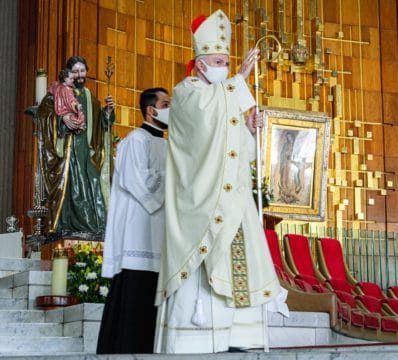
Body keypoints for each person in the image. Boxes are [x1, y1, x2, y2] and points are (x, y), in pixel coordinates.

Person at [154, 10, 285, 354]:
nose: (225, 67)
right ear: (199, 64)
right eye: (218, 61)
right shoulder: (187, 94)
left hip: (235, 204)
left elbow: (235, 156)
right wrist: (239, 78)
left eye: (227, 62)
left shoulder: (224, 96)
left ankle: (238, 337)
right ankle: (194, 338)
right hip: (201, 203)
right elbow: (202, 128)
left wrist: (249, 131)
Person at [97, 88, 171, 354]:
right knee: (135, 298)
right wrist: (173, 183)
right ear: (151, 110)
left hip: (161, 234)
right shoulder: (135, 140)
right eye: (166, 104)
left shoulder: (168, 143)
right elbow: (137, 181)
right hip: (138, 234)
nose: (170, 108)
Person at [38, 56, 115, 235]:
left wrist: (108, 112)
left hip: (87, 150)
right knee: (69, 184)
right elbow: (44, 112)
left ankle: (93, 227)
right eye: (75, 71)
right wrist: (62, 117)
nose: (80, 75)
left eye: (82, 71)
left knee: (92, 182)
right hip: (67, 149)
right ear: (69, 74)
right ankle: (67, 225)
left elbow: (101, 122)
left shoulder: (90, 97)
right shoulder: (58, 92)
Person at [48, 68, 85, 133]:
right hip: (67, 112)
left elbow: (51, 89)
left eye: (73, 79)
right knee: (80, 116)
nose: (73, 80)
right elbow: (71, 100)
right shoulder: (67, 89)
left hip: (62, 111)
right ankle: (80, 126)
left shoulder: (57, 87)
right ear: (65, 79)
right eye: (71, 79)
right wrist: (76, 105)